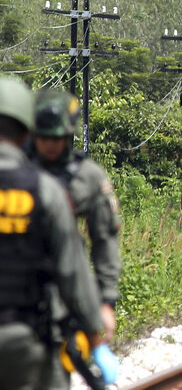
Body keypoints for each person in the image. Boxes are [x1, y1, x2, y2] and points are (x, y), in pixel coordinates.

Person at [0, 77, 111, 388]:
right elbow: (73, 272)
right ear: (26, 132)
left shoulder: (81, 177)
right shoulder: (44, 190)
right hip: (28, 336)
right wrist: (95, 338)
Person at [31, 90, 123, 384]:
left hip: (63, 294)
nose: (49, 145)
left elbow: (105, 240)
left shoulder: (87, 177)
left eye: (56, 138)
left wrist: (106, 301)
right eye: (43, 136)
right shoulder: (16, 172)